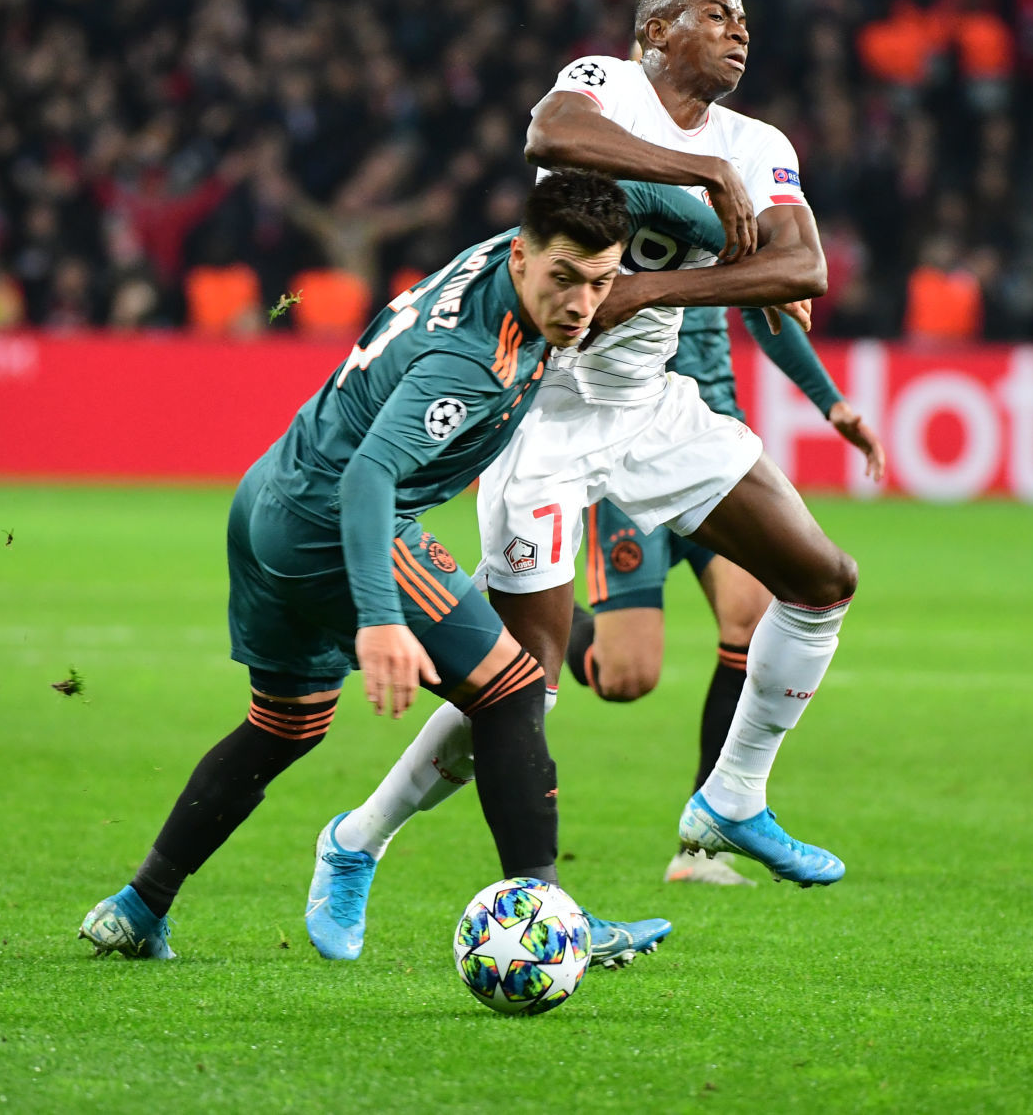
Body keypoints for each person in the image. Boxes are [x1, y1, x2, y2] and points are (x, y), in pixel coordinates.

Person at [304, 0, 862, 963]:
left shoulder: (760, 142)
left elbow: (801, 268)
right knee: (526, 684)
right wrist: (701, 179)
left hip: (654, 409)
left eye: (745, 18)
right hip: (538, 414)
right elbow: (548, 138)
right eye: (714, 17)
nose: (738, 31)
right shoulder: (604, 85)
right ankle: (355, 840)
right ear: (655, 29)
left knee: (822, 579)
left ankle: (731, 797)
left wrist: (655, 295)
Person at [77, 168, 666, 963]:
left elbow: (642, 205)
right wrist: (382, 618)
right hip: (338, 517)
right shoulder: (470, 360)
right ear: (523, 257)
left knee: (283, 726)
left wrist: (730, 217)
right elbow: (368, 478)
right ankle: (552, 917)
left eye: (599, 283)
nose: (580, 304)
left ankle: (138, 905)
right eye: (564, 278)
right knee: (514, 686)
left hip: (268, 498)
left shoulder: (507, 253)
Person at [562, 304, 886, 886]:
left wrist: (830, 400)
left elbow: (768, 313)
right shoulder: (644, 221)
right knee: (625, 677)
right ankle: (539, 611)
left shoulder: (732, 226)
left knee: (752, 615)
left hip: (714, 451)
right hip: (634, 454)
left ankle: (703, 845)